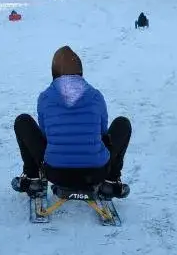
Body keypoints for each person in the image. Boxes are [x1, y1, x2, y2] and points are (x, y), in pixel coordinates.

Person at [11, 46, 131, 199]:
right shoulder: (95, 96)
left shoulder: (45, 97)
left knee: (23, 121)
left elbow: (45, 135)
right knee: (122, 124)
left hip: (55, 173)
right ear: (80, 72)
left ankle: (33, 179)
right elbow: (102, 133)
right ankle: (111, 182)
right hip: (96, 172)